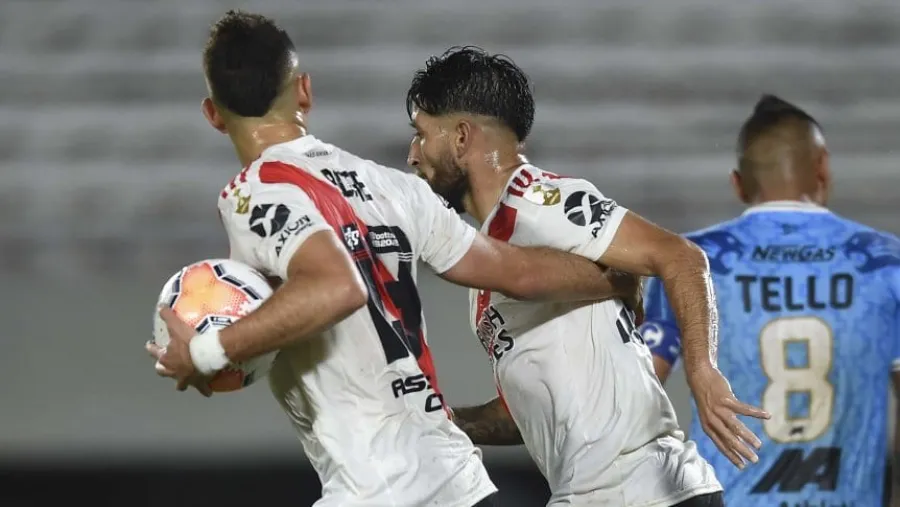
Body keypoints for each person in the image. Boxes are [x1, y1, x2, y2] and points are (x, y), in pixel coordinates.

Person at [145, 11, 645, 507]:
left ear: (213, 113)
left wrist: (210, 351)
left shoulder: (254, 193)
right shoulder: (392, 186)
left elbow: (335, 288)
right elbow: (518, 271)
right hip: (460, 484)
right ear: (304, 91)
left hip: (380, 490)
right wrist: (614, 279)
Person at [405, 46, 769, 507]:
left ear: (460, 138)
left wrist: (702, 371)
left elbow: (679, 256)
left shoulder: (541, 200)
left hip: (642, 490)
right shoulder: (490, 259)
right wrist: (442, 420)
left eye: (421, 134)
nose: (414, 154)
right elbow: (529, 416)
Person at [642, 94, 900, 507]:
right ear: (823, 167)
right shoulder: (887, 263)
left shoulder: (689, 261)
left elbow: (638, 393)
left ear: (738, 183)